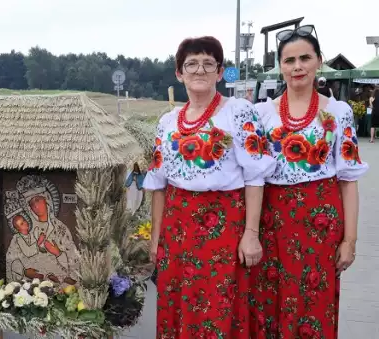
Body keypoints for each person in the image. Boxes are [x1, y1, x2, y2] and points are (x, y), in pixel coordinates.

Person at [145, 36, 276, 339]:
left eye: (208, 63)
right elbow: (159, 185)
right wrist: (156, 239)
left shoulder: (239, 111)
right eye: (191, 63)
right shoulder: (167, 122)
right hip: (178, 229)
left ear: (220, 72)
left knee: (219, 306)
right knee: (179, 303)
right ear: (179, 73)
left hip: (224, 228)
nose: (199, 70)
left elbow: (255, 176)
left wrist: (251, 235)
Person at [250, 24, 368, 339]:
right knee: (269, 302)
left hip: (320, 224)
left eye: (305, 58)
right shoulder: (261, 115)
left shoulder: (338, 113)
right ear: (280, 67)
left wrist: (350, 241)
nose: (298, 66)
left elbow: (348, 181)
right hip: (271, 221)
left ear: (319, 61)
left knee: (314, 304)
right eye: (289, 60)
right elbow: (251, 177)